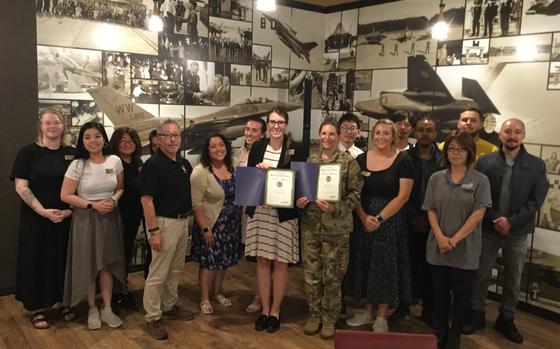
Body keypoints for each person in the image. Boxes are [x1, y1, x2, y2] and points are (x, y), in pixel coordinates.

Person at [463, 119, 548, 344]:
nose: (512, 135)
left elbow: (536, 200)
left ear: (524, 135)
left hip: (517, 232)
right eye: (508, 131)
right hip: (488, 228)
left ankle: (507, 318)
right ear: (500, 135)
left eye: (517, 132)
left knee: (513, 278)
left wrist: (511, 222)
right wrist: (495, 219)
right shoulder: (485, 162)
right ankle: (476, 313)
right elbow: (478, 195)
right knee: (480, 274)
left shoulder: (537, 165)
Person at [422, 131, 492, 349]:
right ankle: (441, 331)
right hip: (438, 247)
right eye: (451, 148)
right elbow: (430, 210)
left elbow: (478, 214)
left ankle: (455, 334)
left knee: (462, 296)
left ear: (469, 152)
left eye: (461, 149)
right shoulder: (436, 178)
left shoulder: (480, 180)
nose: (456, 153)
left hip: (465, 249)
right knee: (439, 294)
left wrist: (455, 239)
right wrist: (442, 238)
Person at [344, 119, 414, 333]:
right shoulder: (361, 159)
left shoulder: (403, 161)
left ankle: (382, 317)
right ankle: (367, 311)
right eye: (377, 133)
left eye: (386, 133)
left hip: (389, 223)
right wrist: (364, 217)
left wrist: (379, 219)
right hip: (363, 220)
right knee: (365, 265)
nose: (381, 137)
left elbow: (403, 197)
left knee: (384, 269)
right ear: (372, 135)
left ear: (393, 136)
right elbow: (354, 191)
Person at [297, 120, 363, 340]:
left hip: (336, 230)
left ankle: (329, 319)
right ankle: (314, 315)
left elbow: (355, 196)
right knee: (312, 277)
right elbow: (302, 189)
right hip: (311, 228)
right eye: (323, 133)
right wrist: (301, 200)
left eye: (332, 133)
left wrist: (337, 207)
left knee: (333, 278)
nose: (327, 137)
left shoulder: (348, 163)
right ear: (319, 135)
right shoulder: (311, 161)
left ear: (338, 136)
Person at [10, 109, 75, 329]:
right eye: (48, 123)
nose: (52, 126)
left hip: (65, 218)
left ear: (62, 125)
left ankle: (65, 302)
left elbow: (82, 186)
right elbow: (21, 186)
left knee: (63, 260)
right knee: (36, 260)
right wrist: (43, 211)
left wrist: (69, 211)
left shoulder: (72, 153)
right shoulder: (27, 153)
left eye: (56, 122)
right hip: (36, 218)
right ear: (41, 126)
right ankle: (37, 308)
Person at [245, 107, 306, 333]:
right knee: (262, 261)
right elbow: (251, 179)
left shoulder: (296, 149)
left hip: (283, 214)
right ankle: (264, 309)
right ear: (267, 125)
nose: (276, 126)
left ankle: (275, 311)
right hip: (261, 211)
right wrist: (259, 174)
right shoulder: (258, 147)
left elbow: (300, 184)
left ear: (286, 125)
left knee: (280, 264)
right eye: (272, 122)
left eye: (280, 122)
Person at [60, 122, 126, 330]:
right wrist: (93, 204)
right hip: (85, 219)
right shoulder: (77, 165)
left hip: (109, 218)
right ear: (82, 141)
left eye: (96, 136)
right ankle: (92, 308)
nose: (92, 141)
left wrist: (113, 201)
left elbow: (120, 188)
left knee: (106, 264)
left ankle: (107, 307)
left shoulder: (115, 161)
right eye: (87, 137)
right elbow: (65, 195)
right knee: (88, 265)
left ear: (104, 139)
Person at [140, 120, 195, 340]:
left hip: (182, 223)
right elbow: (146, 201)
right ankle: (153, 317)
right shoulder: (153, 165)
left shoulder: (183, 163)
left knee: (175, 269)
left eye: (176, 135)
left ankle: (168, 306)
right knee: (158, 273)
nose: (173, 139)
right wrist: (154, 231)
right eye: (167, 135)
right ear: (158, 139)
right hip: (163, 223)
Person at [390, 116, 443, 325]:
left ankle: (429, 309)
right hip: (407, 219)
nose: (425, 134)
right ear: (415, 132)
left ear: (436, 134)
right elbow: (398, 190)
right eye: (421, 129)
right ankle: (403, 306)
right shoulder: (404, 158)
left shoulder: (443, 159)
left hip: (435, 222)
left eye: (429, 130)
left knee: (431, 268)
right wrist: (414, 216)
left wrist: (429, 217)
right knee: (406, 265)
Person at [191, 134, 241, 315]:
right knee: (209, 263)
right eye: (213, 146)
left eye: (221, 145)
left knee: (224, 262)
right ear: (207, 150)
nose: (219, 149)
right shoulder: (201, 172)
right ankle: (204, 298)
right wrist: (205, 228)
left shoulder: (233, 166)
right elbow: (196, 203)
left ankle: (217, 292)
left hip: (231, 225)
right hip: (211, 225)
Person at [108, 127, 143, 310]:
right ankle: (115, 293)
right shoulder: (113, 163)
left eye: (131, 141)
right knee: (116, 255)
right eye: (123, 141)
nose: (128, 144)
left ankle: (122, 289)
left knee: (126, 253)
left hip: (133, 216)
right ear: (116, 143)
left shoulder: (138, 163)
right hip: (116, 216)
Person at [234, 117, 267, 313]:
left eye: (254, 131)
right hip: (245, 209)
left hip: (260, 208)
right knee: (253, 256)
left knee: (261, 257)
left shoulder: (265, 153)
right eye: (247, 129)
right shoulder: (240, 152)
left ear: (262, 134)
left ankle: (259, 297)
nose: (249, 133)